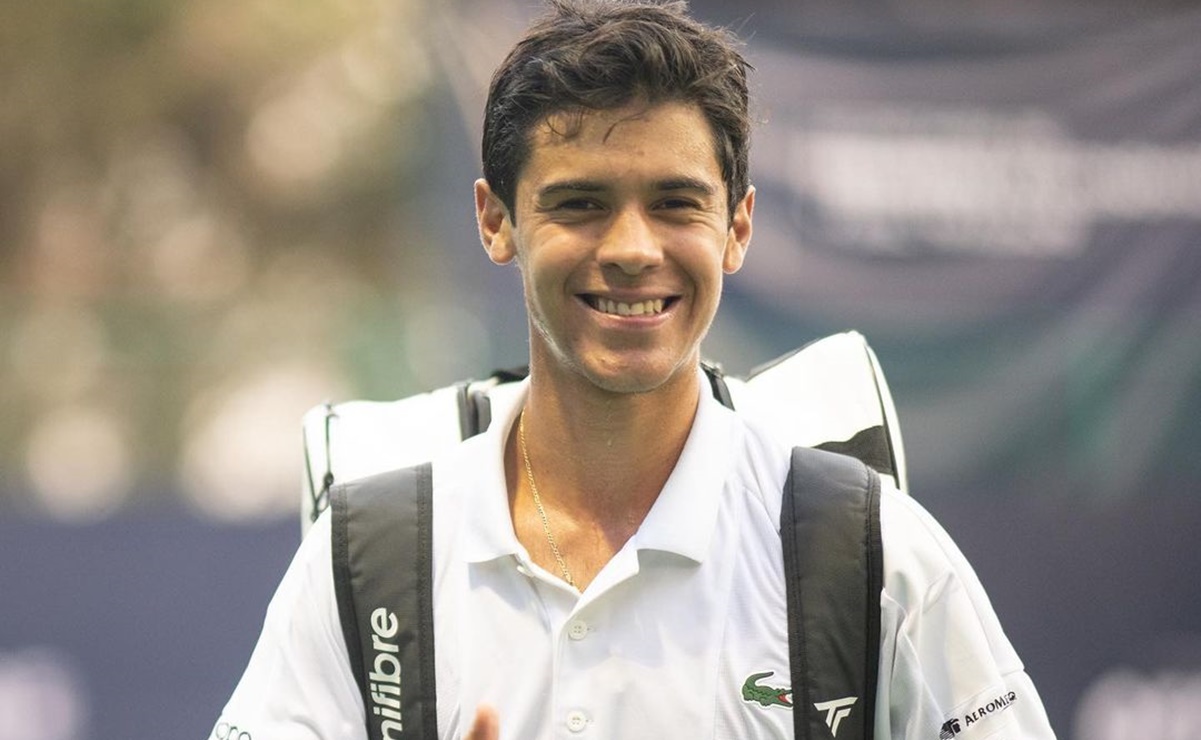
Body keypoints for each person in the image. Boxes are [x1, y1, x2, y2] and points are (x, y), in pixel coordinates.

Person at [210, 1, 1057, 738]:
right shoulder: (367, 553)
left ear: (737, 227)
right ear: (495, 221)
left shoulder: (869, 545)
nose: (629, 248)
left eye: (675, 203)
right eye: (579, 204)